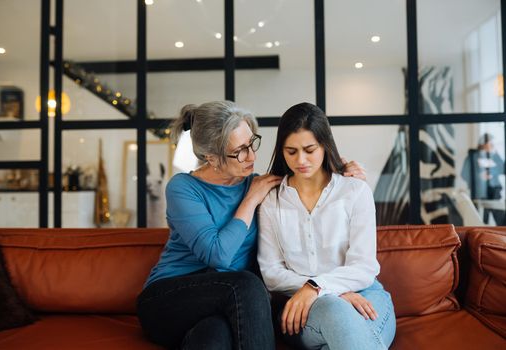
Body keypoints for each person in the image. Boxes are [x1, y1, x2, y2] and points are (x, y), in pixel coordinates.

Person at [137, 101, 367, 350]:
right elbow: (218, 255)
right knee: (246, 284)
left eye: (252, 143)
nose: (252, 156)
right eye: (240, 151)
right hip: (169, 301)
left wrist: (342, 172)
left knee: (214, 336)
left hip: (224, 306)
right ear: (210, 157)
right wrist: (250, 199)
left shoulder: (261, 184)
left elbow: (308, 189)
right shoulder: (183, 188)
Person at [258, 102, 396, 350]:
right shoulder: (272, 201)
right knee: (334, 310)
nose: (301, 160)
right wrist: (327, 293)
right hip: (306, 307)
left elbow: (363, 266)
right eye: (291, 151)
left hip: (365, 296)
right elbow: (272, 273)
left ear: (325, 145)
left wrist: (317, 287)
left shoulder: (355, 191)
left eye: (309, 149)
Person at [461, 132, 505, 225]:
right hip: (479, 194)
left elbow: (503, 169)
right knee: (480, 221)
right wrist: (479, 177)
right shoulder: (472, 157)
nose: (492, 145)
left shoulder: (494, 155)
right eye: (490, 143)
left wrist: (492, 173)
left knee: (501, 220)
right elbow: (464, 174)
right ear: (483, 144)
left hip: (494, 192)